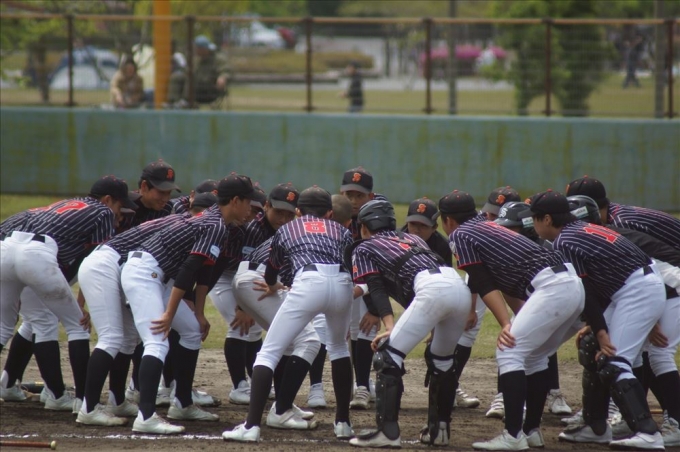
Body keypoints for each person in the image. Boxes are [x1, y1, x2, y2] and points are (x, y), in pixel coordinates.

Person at [440, 189, 585, 451]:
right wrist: (514, 319)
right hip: (571, 285)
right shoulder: (486, 227)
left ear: (447, 220)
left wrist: (507, 324)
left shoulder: (460, 234)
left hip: (551, 288)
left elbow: (483, 283)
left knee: (509, 352)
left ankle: (513, 435)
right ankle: (531, 431)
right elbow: (503, 283)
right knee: (536, 356)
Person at [521, 190, 666, 451]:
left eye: (534, 218)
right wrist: (596, 328)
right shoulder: (579, 229)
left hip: (637, 290)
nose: (533, 225)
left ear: (547, 218)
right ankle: (596, 426)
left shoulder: (565, 241)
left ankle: (648, 432)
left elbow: (586, 291)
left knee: (614, 361)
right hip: (636, 287)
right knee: (591, 346)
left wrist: (601, 331)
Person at [122, 173, 254, 434]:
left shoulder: (219, 223)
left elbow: (204, 271)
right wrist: (169, 313)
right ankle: (145, 417)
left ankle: (182, 403)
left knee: (192, 330)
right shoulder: (215, 224)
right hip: (145, 273)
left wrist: (200, 313)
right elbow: (188, 270)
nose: (251, 208)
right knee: (157, 342)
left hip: (157, 276)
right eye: (248, 202)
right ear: (236, 201)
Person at [222, 186, 355, 443]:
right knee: (338, 348)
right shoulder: (341, 230)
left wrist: (273, 285)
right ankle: (343, 423)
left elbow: (271, 271)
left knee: (269, 351)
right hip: (341, 282)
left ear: (298, 211)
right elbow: (350, 266)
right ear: (329, 213)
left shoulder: (288, 228)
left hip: (303, 280)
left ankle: (252, 426)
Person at [0, 176, 138, 413]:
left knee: (12, 325)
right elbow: (96, 259)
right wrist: (81, 303)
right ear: (107, 200)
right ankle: (83, 402)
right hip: (36, 254)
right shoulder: (103, 211)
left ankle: (46, 392)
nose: (119, 215)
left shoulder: (61, 206)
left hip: (7, 248)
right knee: (77, 325)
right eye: (119, 206)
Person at [347, 200, 472, 448]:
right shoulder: (414, 239)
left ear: (364, 227)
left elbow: (376, 288)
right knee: (442, 360)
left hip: (431, 289)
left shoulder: (365, 246)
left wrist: (389, 325)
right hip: (458, 287)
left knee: (388, 356)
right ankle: (440, 431)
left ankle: (387, 432)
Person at [340, 167, 388, 410]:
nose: (353, 200)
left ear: (370, 195)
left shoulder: (380, 213)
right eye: (349, 194)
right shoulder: (337, 211)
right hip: (347, 279)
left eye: (359, 195)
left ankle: (362, 386)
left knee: (366, 328)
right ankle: (360, 384)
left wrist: (376, 310)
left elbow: (382, 265)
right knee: (350, 332)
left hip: (373, 280)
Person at [167, 35, 229, 107]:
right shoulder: (196, 60)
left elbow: (225, 70)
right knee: (176, 77)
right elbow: (186, 70)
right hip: (195, 86)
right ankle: (172, 102)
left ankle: (186, 101)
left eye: (196, 48)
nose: (195, 50)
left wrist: (222, 78)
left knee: (191, 77)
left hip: (209, 88)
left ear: (202, 49)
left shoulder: (217, 59)